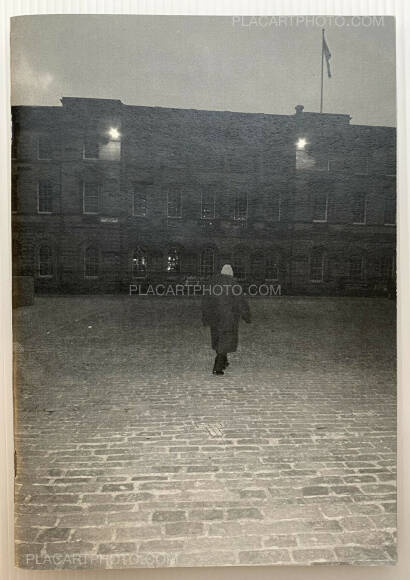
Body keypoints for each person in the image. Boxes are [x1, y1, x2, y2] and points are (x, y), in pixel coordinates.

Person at [201, 264, 251, 375]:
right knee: (226, 339)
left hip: (214, 317)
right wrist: (246, 316)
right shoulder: (234, 284)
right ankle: (218, 367)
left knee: (218, 338)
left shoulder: (212, 284)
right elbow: (241, 302)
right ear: (231, 273)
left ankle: (224, 361)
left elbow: (205, 302)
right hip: (229, 317)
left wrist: (205, 317)